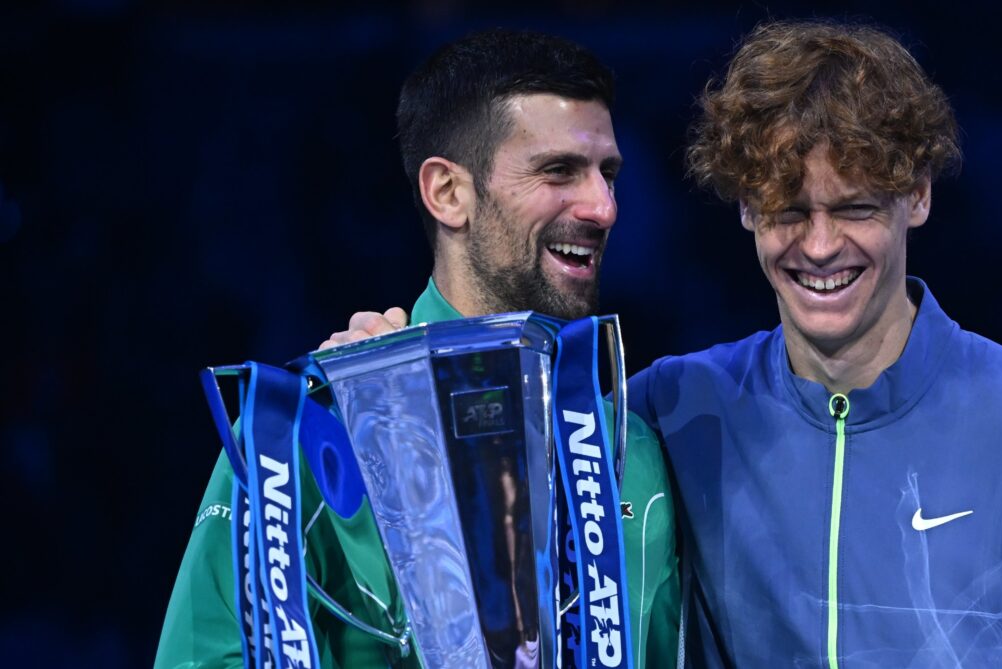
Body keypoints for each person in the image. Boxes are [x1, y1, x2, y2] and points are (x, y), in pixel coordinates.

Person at [622, 20, 1002, 667]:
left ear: (916, 194)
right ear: (747, 205)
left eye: (855, 207)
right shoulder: (671, 411)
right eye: (790, 210)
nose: (822, 244)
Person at [155, 29, 679, 669]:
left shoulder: (632, 448)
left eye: (608, 174)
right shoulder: (310, 432)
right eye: (558, 171)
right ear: (448, 193)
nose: (603, 206)